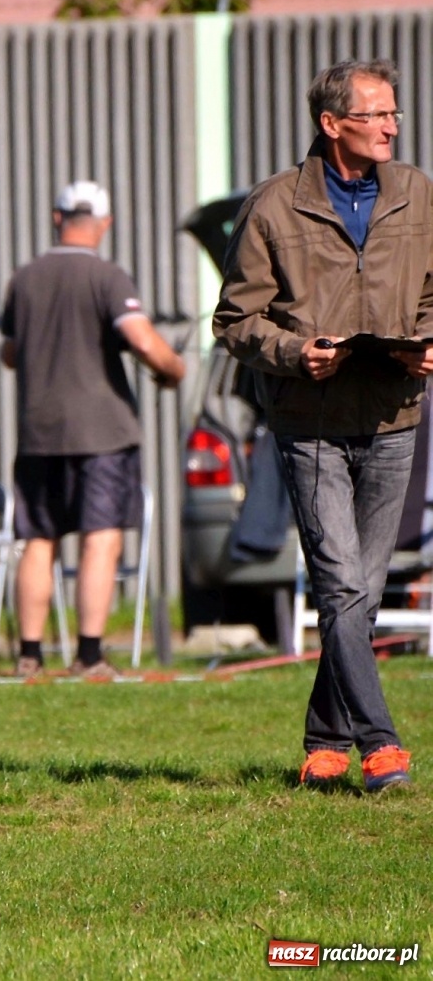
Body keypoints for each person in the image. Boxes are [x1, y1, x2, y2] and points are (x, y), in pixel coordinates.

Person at [215, 58, 433, 792]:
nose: (391, 126)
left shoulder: (416, 193)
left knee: (361, 592)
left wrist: (427, 342)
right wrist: (290, 352)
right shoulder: (274, 205)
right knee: (342, 586)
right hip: (309, 423)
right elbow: (234, 320)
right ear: (332, 124)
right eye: (375, 115)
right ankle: (380, 744)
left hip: (395, 414)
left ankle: (324, 736)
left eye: (394, 113)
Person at [0, 181, 185, 678]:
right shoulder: (109, 277)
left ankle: (30, 656)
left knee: (39, 540)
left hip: (38, 432)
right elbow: (142, 341)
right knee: (100, 539)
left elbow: (9, 354)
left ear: (56, 217)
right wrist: (174, 369)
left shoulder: (24, 279)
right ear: (105, 223)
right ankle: (88, 655)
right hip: (103, 434)